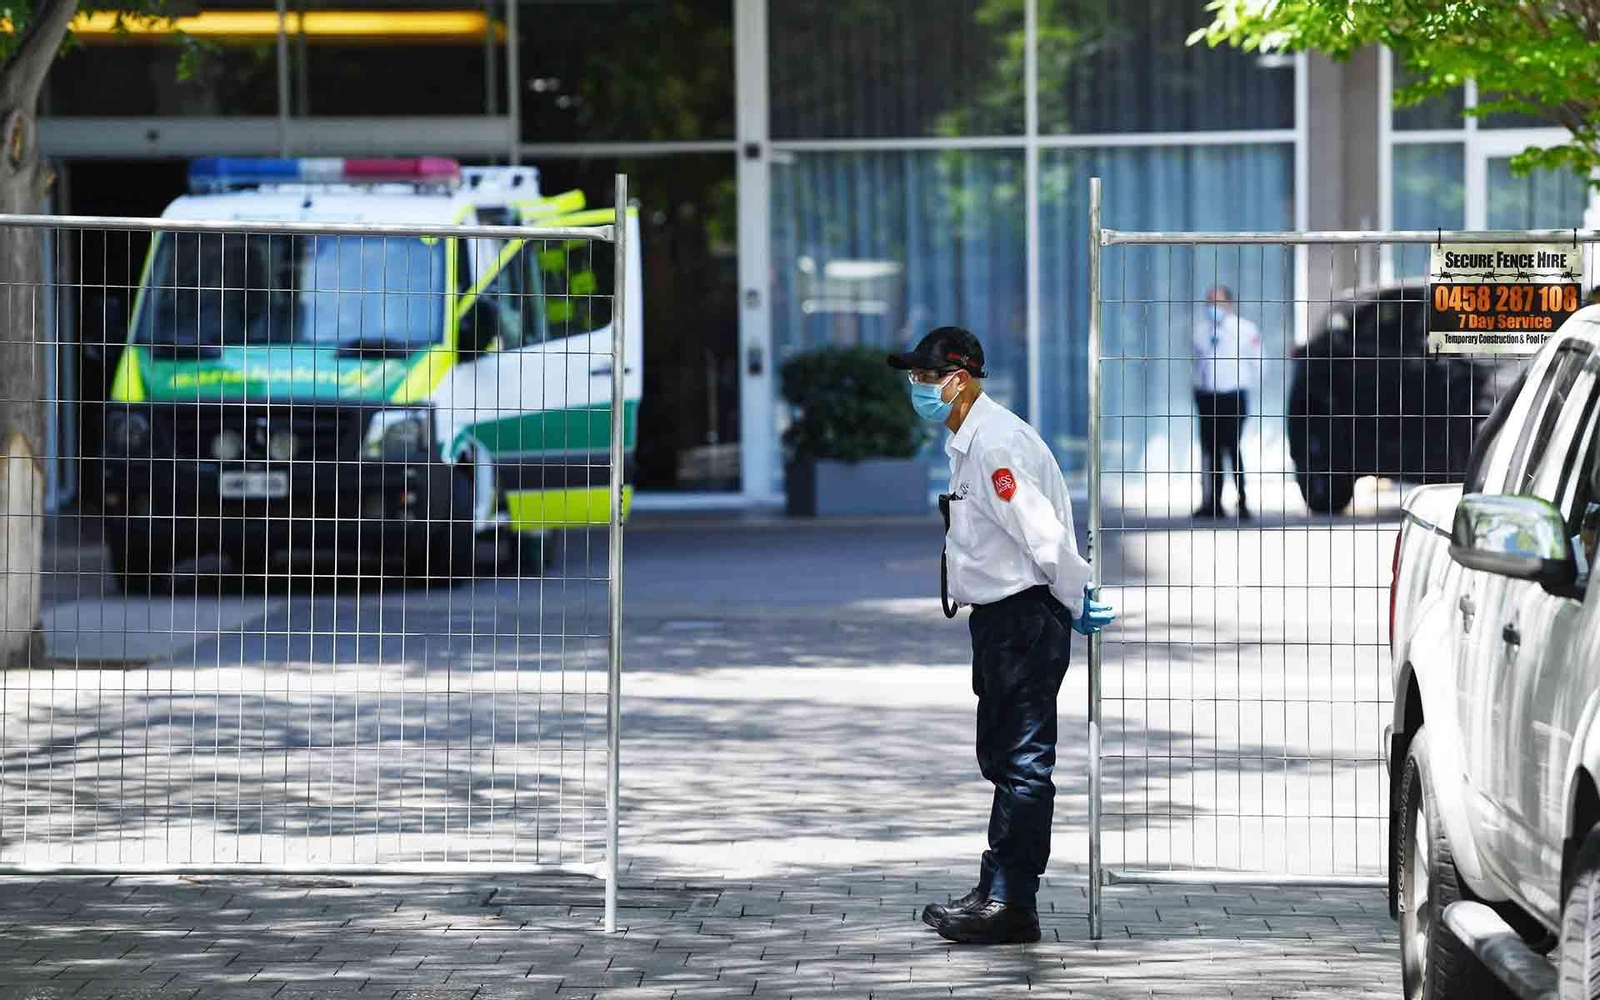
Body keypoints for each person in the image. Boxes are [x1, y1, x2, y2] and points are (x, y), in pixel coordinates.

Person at [887, 326, 1116, 946]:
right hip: (1001, 622)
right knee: (1002, 758)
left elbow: (1042, 534)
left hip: (1023, 619)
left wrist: (1075, 596)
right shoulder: (973, 440)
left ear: (958, 381)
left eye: (925, 379)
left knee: (1022, 764)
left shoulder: (995, 444)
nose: (917, 389)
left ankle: (1014, 903)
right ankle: (995, 887)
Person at [1192, 286, 1262, 520]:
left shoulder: (1244, 329)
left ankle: (1242, 501)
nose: (1213, 307)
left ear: (1229, 305)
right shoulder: (1200, 331)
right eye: (1209, 302)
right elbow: (1197, 364)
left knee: (1232, 448)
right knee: (1210, 451)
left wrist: (1243, 383)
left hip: (1233, 396)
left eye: (1218, 302)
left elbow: (1259, 363)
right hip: (1207, 397)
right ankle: (1212, 503)